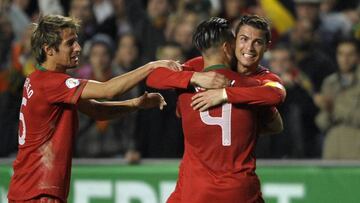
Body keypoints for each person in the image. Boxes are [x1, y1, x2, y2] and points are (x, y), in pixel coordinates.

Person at [7, 14, 182, 202]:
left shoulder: (36, 79)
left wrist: (135, 103)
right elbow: (108, 90)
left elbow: (97, 111)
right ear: (49, 49)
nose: (78, 48)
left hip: (27, 188)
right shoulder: (52, 83)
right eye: (70, 43)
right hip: (39, 192)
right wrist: (151, 66)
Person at [147, 17, 285, 203]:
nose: (249, 48)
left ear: (267, 46)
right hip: (227, 186)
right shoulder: (201, 67)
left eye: (257, 42)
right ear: (232, 43)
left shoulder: (262, 79)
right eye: (244, 39)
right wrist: (195, 77)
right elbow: (276, 121)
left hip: (198, 187)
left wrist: (225, 94)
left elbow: (277, 94)